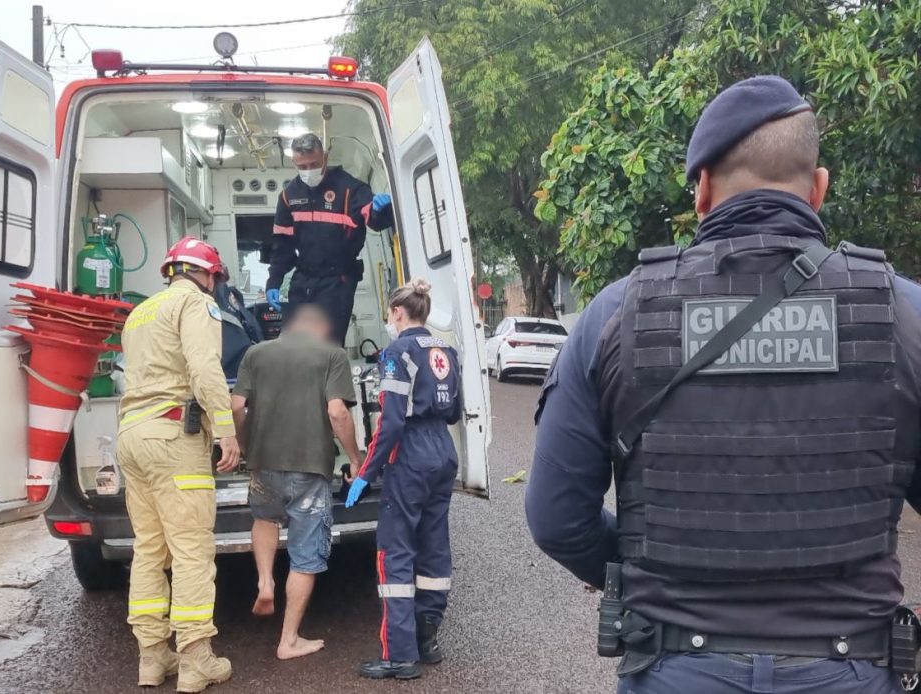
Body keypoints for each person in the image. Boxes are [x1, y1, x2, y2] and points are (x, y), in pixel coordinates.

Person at [526, 75, 921, 694]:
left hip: (676, 666)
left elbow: (556, 518)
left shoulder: (614, 314)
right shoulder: (903, 314)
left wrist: (636, 569)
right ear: (817, 188)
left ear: (703, 189)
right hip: (850, 668)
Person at [117, 237, 240, 693]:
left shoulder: (140, 312)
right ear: (208, 275)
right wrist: (226, 428)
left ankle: (152, 658)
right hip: (173, 435)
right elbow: (205, 368)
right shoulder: (197, 304)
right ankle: (195, 659)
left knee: (149, 549)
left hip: (132, 435)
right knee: (191, 550)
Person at [230, 303, 362, 660]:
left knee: (265, 519)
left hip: (263, 464)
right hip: (309, 468)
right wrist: (354, 457)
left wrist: (244, 445)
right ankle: (288, 640)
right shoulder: (332, 355)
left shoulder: (256, 353)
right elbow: (337, 412)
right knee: (305, 555)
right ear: (320, 328)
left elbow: (236, 404)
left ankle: (265, 582)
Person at [345, 279, 462, 681]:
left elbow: (391, 422)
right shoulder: (446, 349)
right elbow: (455, 411)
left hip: (410, 453)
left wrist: (365, 473)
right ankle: (427, 641)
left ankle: (399, 657)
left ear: (397, 312)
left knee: (394, 555)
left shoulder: (396, 353)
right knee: (434, 548)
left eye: (389, 314)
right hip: (443, 451)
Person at [266, 132, 394, 346]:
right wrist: (274, 281)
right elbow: (283, 246)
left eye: (314, 164)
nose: (308, 171)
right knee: (293, 346)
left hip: (338, 281)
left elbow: (374, 221)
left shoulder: (351, 189)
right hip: (304, 278)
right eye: (302, 166)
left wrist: (381, 211)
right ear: (294, 162)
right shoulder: (289, 196)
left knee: (328, 347)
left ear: (325, 157)